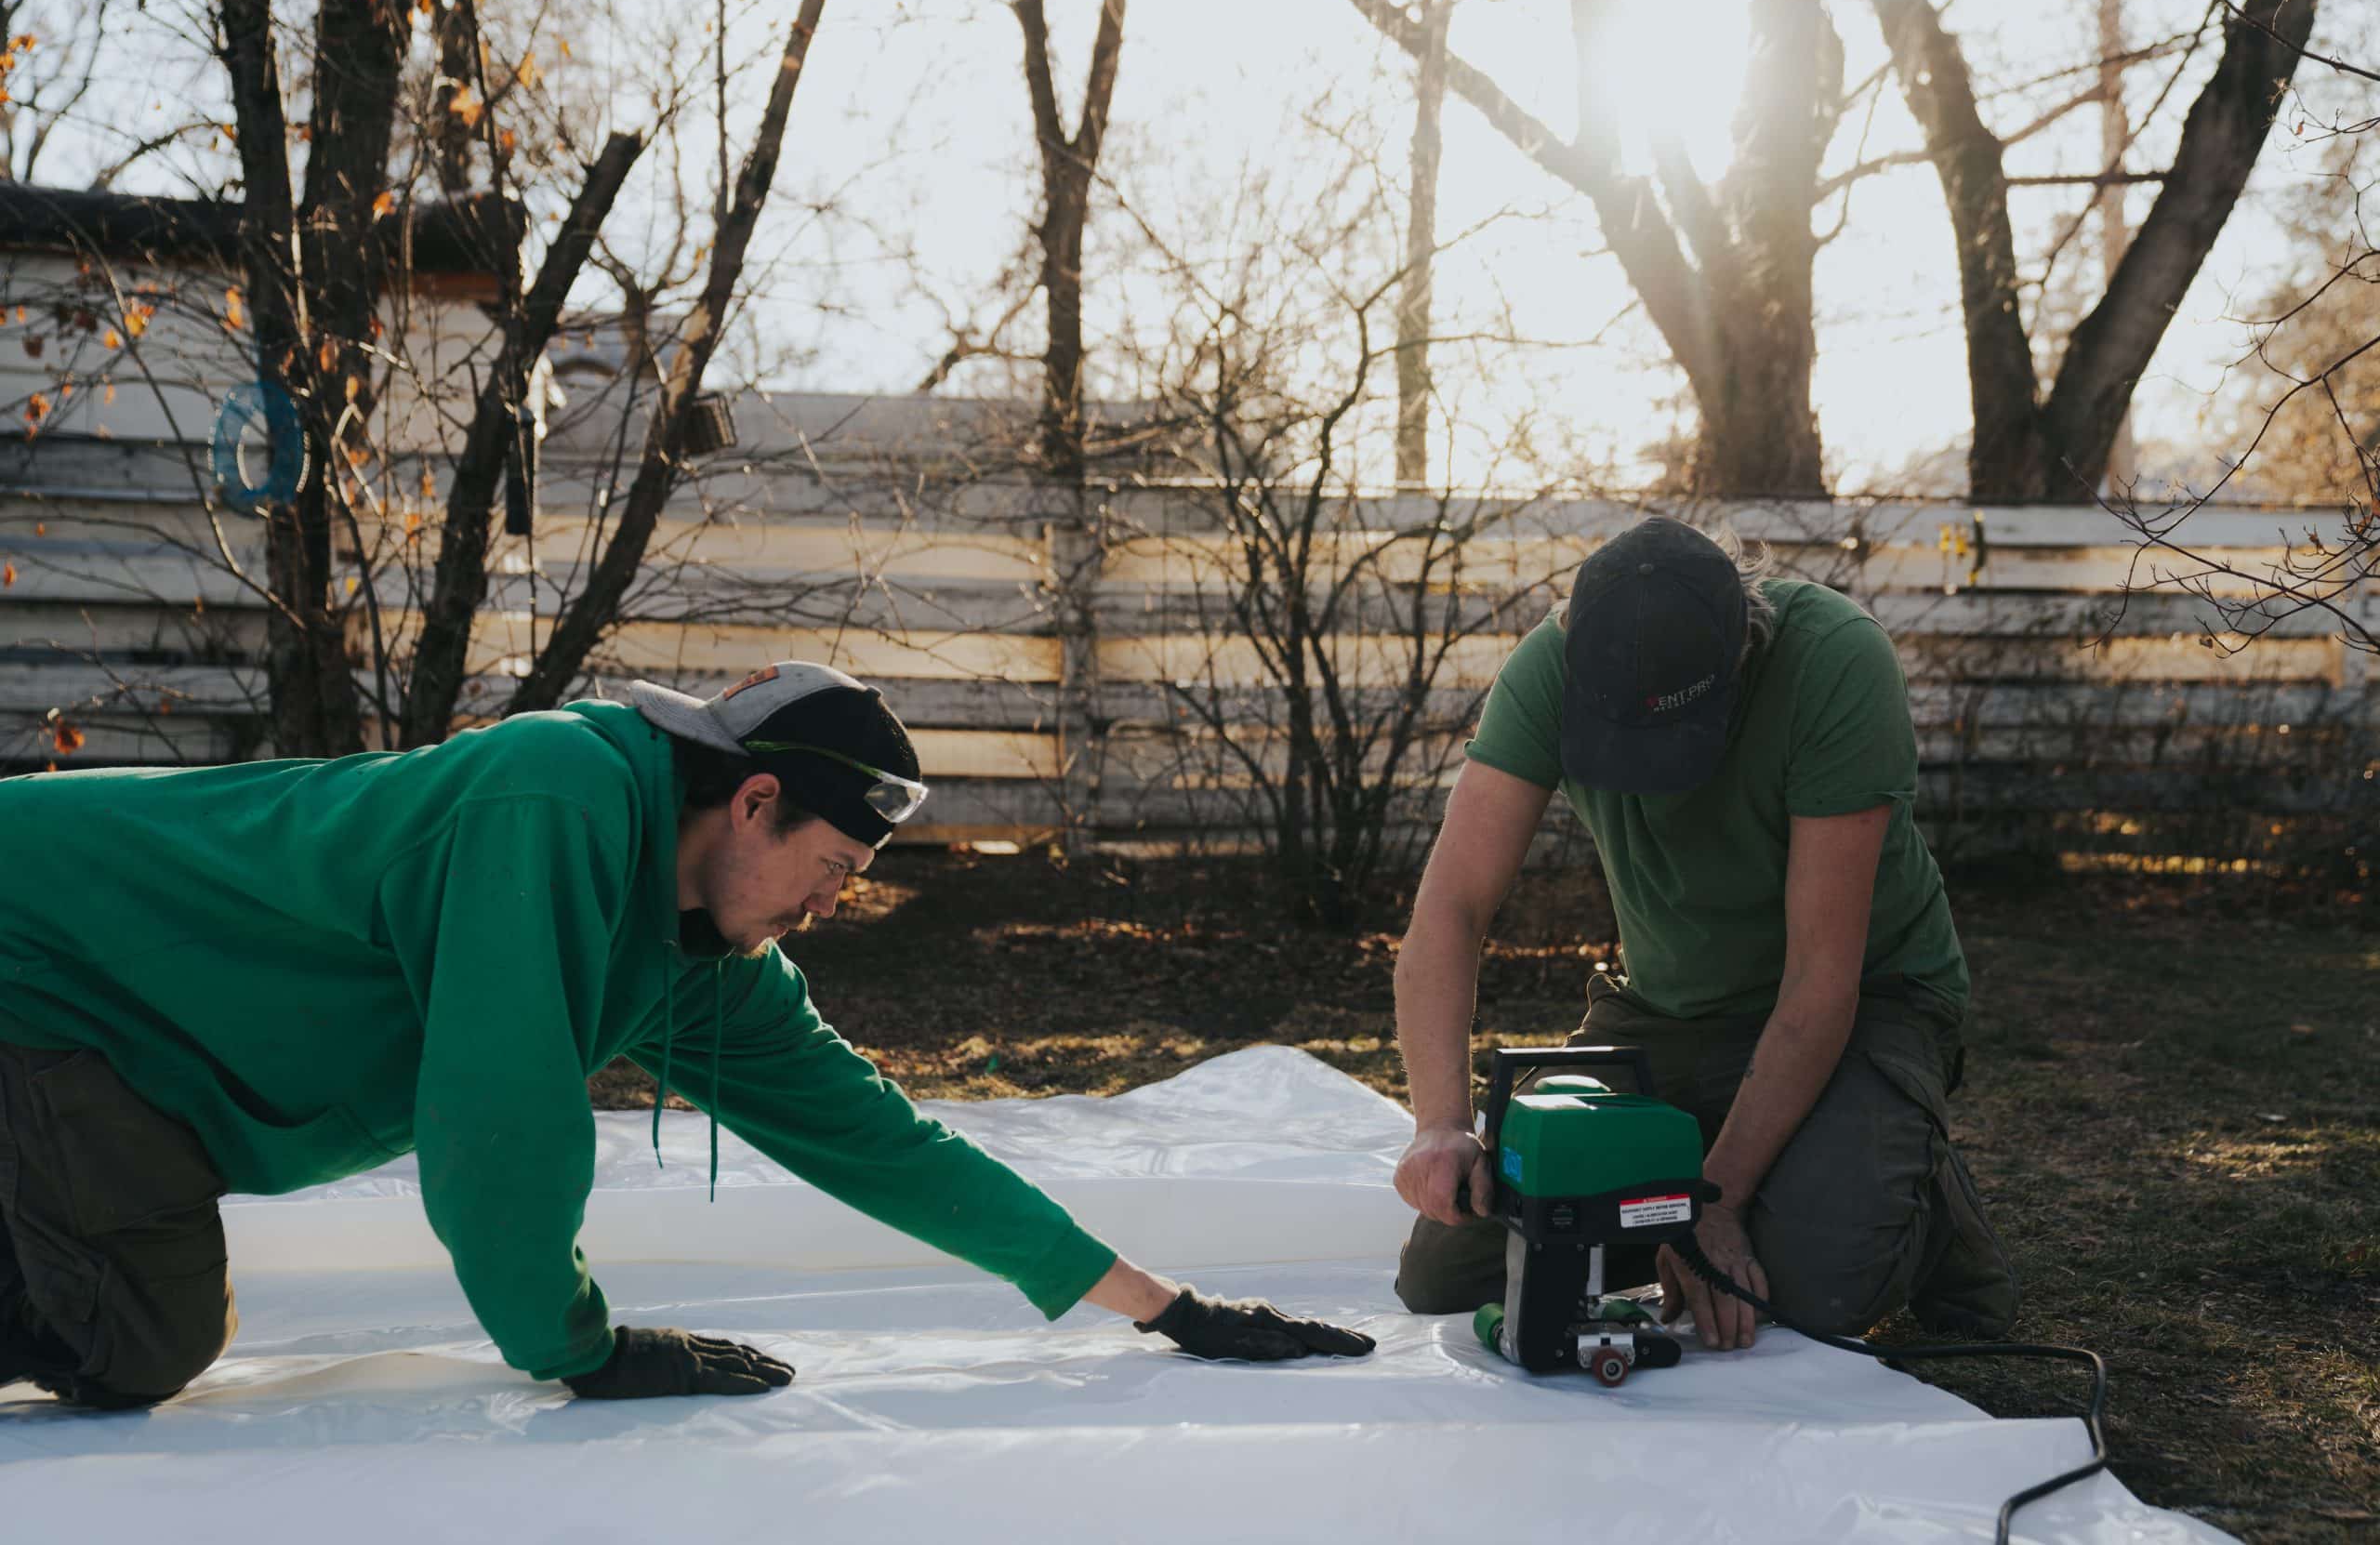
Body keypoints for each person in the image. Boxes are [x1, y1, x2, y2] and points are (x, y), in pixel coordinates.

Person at [0, 661, 1373, 1409]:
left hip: (126, 1059)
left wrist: (1163, 1303)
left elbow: (878, 1140)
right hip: (43, 960)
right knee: (140, 1340)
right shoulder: (549, 801)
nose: (833, 907)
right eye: (834, 868)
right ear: (756, 801)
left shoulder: (696, 953)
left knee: (133, 1296)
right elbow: (499, 1126)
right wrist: (578, 1347)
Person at [1391, 517, 2017, 1350]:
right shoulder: (1547, 668)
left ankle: (1916, 1181)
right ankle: (1784, 1159)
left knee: (1805, 1291)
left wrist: (1712, 1203)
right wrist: (1440, 1123)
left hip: (1868, 1004)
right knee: (1452, 1273)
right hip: (1667, 1010)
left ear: (1740, 659)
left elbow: (1818, 983)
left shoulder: (1834, 662)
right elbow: (1450, 910)